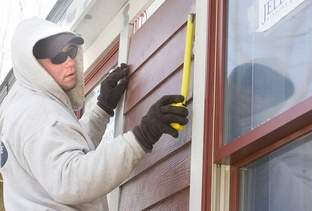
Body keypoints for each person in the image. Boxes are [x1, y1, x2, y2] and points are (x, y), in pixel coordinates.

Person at [0, 17, 188, 210]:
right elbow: (71, 179)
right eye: (57, 57)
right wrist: (142, 135)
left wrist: (102, 109)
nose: (69, 62)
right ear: (32, 63)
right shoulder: (35, 112)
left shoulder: (25, 107)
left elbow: (66, 147)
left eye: (71, 52)